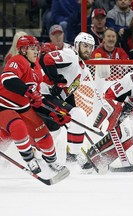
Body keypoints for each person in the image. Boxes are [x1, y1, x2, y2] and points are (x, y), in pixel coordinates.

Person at [0, 35, 70, 174]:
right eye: (32, 48)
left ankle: (52, 162)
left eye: (36, 48)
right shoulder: (17, 60)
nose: (36, 51)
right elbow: (7, 80)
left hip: (24, 107)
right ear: (23, 50)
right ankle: (30, 160)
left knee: (44, 137)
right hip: (4, 105)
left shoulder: (37, 67)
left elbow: (36, 98)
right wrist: (28, 91)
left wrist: (54, 111)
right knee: (17, 127)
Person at [39, 32, 95, 173]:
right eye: (85, 46)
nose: (88, 49)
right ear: (77, 45)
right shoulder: (71, 54)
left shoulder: (84, 68)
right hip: (42, 96)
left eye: (91, 47)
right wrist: (56, 80)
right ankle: (73, 157)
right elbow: (46, 59)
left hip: (52, 99)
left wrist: (72, 112)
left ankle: (42, 158)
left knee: (55, 129)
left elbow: (68, 93)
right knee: (79, 114)